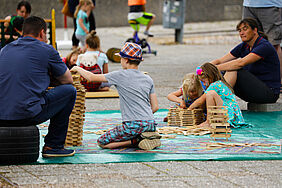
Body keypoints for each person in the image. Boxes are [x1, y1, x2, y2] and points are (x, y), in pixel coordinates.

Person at [0, 16, 76, 158]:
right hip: (26, 114)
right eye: (46, 35)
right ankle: (53, 145)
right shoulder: (47, 50)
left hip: (1, 115)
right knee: (69, 92)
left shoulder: (5, 49)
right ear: (42, 33)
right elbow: (68, 80)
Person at [71, 42, 161, 150]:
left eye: (121, 58)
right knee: (136, 129)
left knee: (102, 142)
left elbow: (91, 77)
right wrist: (144, 120)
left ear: (126, 60)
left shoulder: (119, 75)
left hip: (133, 125)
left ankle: (136, 141)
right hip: (151, 124)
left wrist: (77, 68)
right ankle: (146, 137)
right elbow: (155, 107)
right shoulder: (148, 78)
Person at [210, 18, 281, 103]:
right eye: (239, 30)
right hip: (254, 90)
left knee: (234, 69)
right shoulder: (244, 46)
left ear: (255, 30)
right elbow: (220, 61)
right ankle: (210, 102)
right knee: (220, 74)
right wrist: (204, 68)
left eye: (245, 29)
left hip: (269, 93)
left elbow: (240, 63)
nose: (241, 33)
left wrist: (213, 69)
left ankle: (222, 104)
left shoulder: (264, 46)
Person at [189, 63, 247, 128]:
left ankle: (209, 121)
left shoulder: (214, 85)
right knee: (210, 94)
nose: (204, 84)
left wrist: (189, 108)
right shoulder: (220, 83)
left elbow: (200, 101)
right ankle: (211, 121)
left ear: (210, 77)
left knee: (210, 94)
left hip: (228, 115)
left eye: (204, 81)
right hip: (231, 115)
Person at [242, 0, 282, 84]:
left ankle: (278, 81)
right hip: (248, 5)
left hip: (270, 5)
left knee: (273, 45)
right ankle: (257, 80)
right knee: (251, 43)